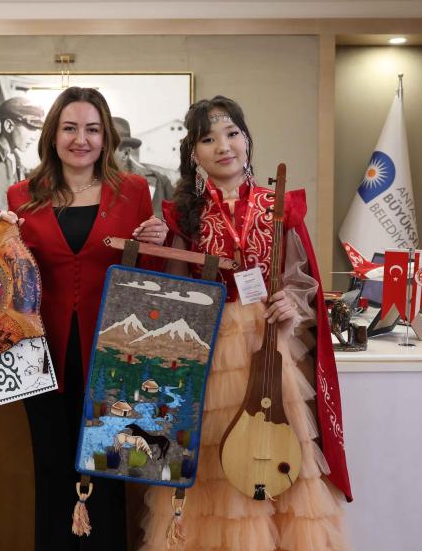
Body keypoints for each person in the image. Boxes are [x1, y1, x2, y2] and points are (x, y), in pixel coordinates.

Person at [139, 96, 352, 550]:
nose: (223, 146)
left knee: (276, 451)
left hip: (270, 344)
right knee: (215, 459)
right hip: (207, 349)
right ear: (193, 154)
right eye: (208, 139)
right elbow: (172, 292)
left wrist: (291, 303)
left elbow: (301, 279)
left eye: (232, 133)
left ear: (247, 139)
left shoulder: (279, 206)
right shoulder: (182, 215)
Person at [0, 86, 168, 551]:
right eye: (70, 128)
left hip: (114, 354)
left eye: (92, 129)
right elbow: (14, 278)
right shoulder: (21, 196)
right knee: (52, 470)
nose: (81, 139)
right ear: (53, 136)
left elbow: (146, 273)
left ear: (105, 137)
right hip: (41, 356)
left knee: (110, 470)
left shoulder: (133, 192)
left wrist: (159, 239)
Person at [113, 116, 176, 218]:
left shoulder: (160, 183)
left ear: (126, 152)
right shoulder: (90, 183)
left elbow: (180, 221)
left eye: (107, 148)